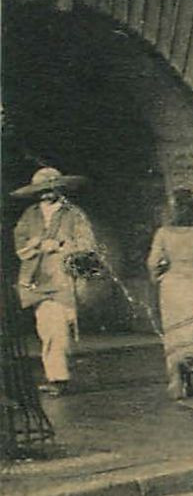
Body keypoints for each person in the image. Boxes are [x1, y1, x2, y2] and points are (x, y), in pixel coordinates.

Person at [11, 167, 99, 396]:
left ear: (60, 189)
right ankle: (56, 376)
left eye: (51, 189)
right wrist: (37, 244)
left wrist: (61, 245)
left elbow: (86, 244)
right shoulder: (30, 215)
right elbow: (20, 242)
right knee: (46, 329)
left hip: (61, 278)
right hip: (36, 280)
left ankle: (58, 376)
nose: (46, 194)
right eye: (42, 190)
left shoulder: (72, 214)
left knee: (58, 329)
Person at [146, 188, 193, 400]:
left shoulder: (163, 233)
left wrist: (158, 277)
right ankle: (192, 367)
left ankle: (177, 381)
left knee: (174, 334)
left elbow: (152, 262)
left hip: (170, 287)